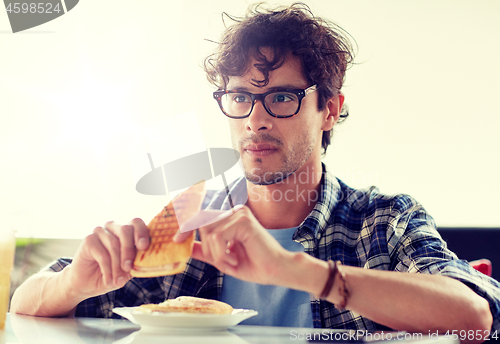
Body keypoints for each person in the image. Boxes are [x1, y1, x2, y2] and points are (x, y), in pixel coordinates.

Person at [11, 2, 500, 338]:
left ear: (329, 110)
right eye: (241, 97)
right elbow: (26, 304)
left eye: (282, 97)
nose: (256, 119)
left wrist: (296, 270)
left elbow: (474, 316)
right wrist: (75, 281)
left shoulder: (383, 221)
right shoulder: (190, 226)